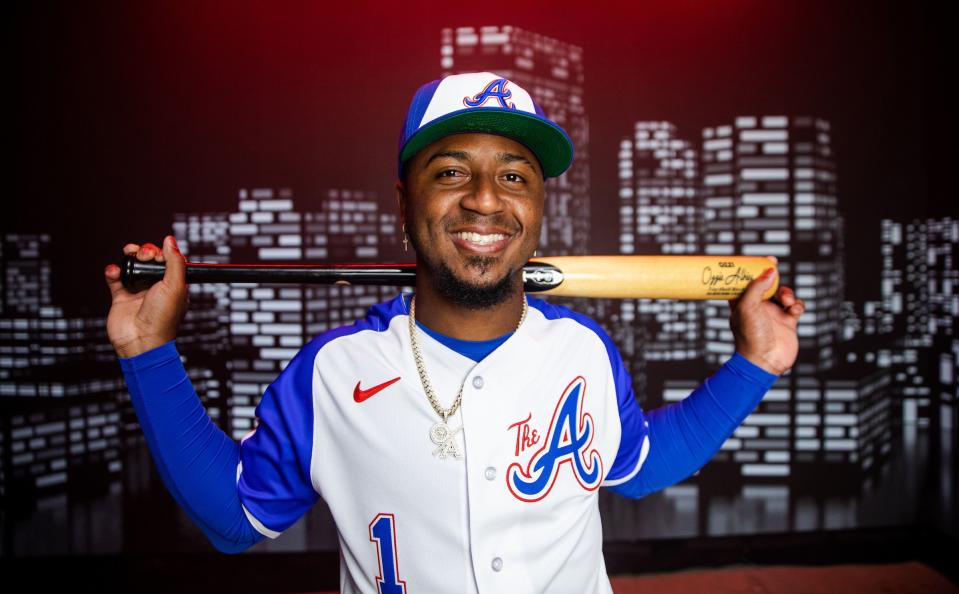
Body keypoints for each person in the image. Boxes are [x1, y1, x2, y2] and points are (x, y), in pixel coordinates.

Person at [103, 72, 805, 593]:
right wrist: (146, 349)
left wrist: (756, 362)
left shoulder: (582, 351)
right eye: (449, 172)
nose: (484, 200)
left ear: (536, 211)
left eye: (513, 176)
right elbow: (233, 518)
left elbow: (642, 461)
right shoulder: (332, 373)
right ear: (404, 205)